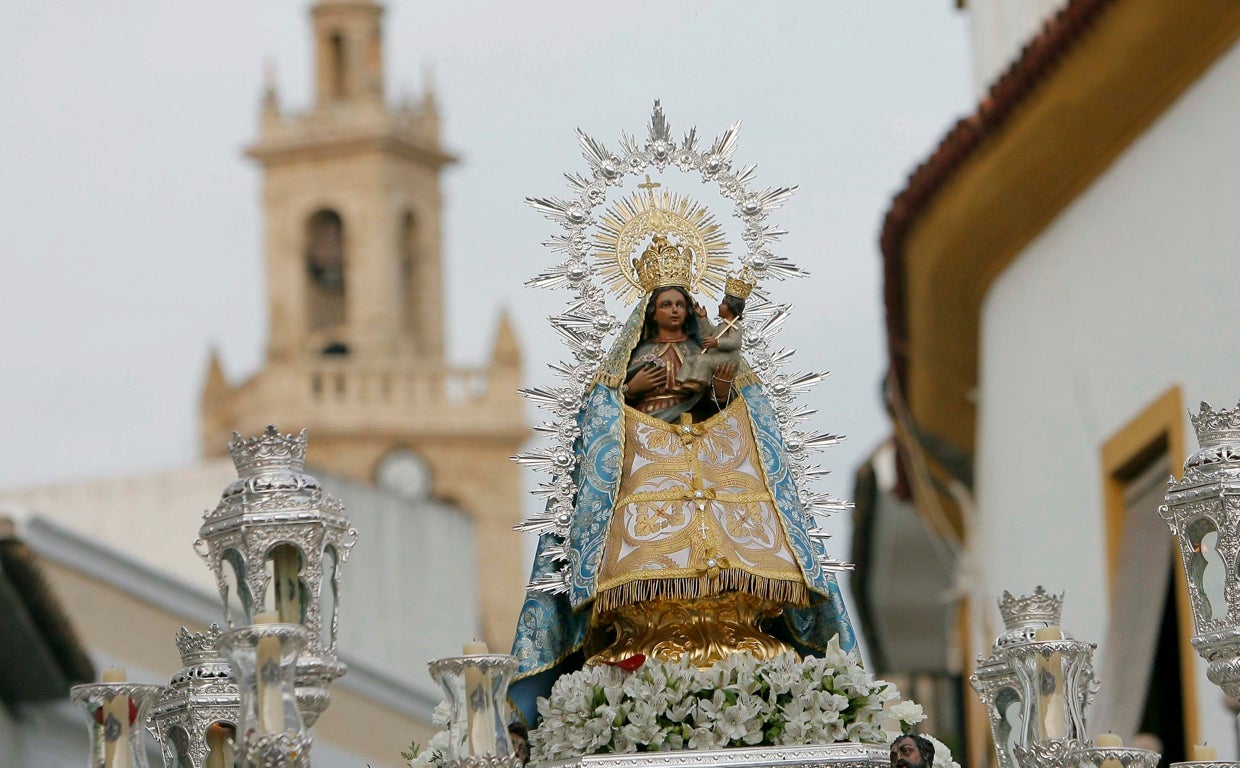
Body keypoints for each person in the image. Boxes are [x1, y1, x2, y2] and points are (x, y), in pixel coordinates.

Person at [508, 234, 855, 725]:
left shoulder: (704, 348)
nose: (672, 311)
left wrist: (721, 361)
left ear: (689, 308)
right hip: (645, 469)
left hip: (711, 467)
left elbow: (731, 400)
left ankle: (745, 625)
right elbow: (603, 416)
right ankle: (640, 632)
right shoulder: (632, 356)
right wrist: (631, 391)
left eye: (679, 303)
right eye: (664, 304)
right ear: (650, 312)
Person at [676, 273, 750, 394]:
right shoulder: (722, 325)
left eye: (723, 304)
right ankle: (681, 381)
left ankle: (697, 382)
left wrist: (718, 342)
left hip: (728, 359)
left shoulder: (735, 326)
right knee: (690, 359)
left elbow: (735, 342)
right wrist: (703, 318)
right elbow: (709, 334)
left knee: (703, 360)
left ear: (731, 307)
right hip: (717, 356)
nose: (719, 306)